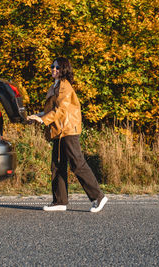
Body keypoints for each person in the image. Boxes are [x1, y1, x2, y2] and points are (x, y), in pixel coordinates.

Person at [27, 57, 108, 212]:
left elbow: (61, 110)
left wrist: (43, 120)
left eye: (57, 67)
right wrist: (36, 117)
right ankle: (60, 201)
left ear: (63, 70)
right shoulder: (55, 86)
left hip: (68, 129)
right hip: (58, 130)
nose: (53, 69)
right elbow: (52, 109)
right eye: (52, 67)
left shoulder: (65, 86)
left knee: (77, 163)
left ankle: (98, 197)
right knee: (57, 165)